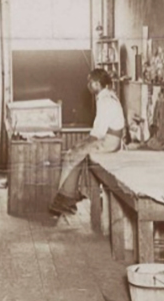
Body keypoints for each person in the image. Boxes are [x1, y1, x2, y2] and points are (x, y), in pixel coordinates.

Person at [49, 68, 125, 215]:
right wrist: (82, 143)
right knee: (74, 151)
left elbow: (99, 132)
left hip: (110, 141)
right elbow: (97, 130)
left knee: (73, 155)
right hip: (107, 138)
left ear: (97, 84)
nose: (88, 85)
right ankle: (69, 193)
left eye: (90, 82)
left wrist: (82, 145)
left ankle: (65, 197)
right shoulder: (105, 96)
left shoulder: (105, 100)